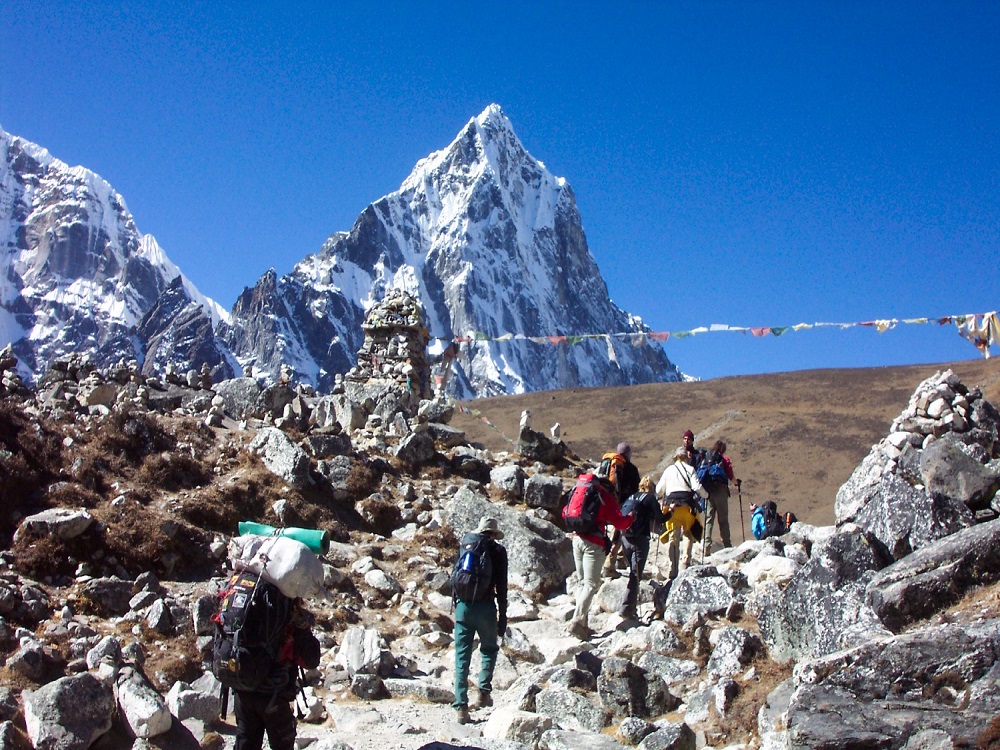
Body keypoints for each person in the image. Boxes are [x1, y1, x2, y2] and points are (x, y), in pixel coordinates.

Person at [233, 598, 321, 750]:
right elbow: (310, 660)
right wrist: (303, 629)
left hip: (243, 689)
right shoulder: (287, 615)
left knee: (246, 743)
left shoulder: (249, 608)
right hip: (273, 694)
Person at [452, 517, 508, 725]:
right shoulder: (498, 551)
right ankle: (483, 692)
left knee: (461, 656)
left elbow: (454, 576)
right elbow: (502, 587)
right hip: (485, 608)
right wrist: (502, 617)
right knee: (488, 649)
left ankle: (461, 706)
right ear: (493, 534)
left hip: (462, 607)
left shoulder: (466, 545)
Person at [566, 471, 633, 639]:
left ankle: (584, 626)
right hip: (593, 544)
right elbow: (619, 522)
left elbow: (564, 513)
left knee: (582, 584)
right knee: (591, 585)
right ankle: (576, 621)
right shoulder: (603, 495)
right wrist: (631, 518)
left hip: (577, 539)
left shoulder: (579, 492)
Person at [655, 446, 709, 581]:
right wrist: (706, 495)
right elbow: (696, 487)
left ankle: (673, 570)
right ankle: (685, 563)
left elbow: (659, 490)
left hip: (672, 506)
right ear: (686, 457)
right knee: (688, 533)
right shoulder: (690, 469)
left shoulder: (668, 470)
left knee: (673, 537)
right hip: (687, 506)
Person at [618, 475, 667, 619]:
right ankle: (626, 609)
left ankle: (630, 607)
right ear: (652, 488)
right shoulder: (650, 498)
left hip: (626, 538)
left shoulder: (632, 496)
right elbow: (660, 519)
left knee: (633, 573)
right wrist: (670, 512)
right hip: (640, 539)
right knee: (635, 575)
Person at [603, 442, 641, 578]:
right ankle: (610, 563)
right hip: (624, 504)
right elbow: (636, 489)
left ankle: (615, 559)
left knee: (614, 531)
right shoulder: (631, 469)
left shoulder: (610, 465)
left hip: (607, 502)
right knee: (619, 532)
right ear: (628, 453)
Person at [700, 440, 738, 556]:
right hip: (721, 490)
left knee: (709, 519)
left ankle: (706, 546)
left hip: (709, 490)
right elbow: (730, 476)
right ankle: (727, 544)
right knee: (723, 519)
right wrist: (736, 483)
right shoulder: (724, 459)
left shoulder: (707, 458)